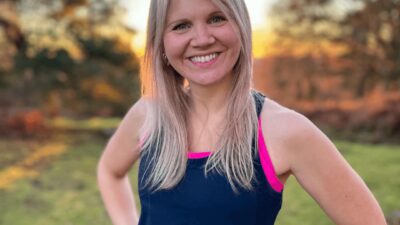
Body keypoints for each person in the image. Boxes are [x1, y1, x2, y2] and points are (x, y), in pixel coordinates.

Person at [97, 0, 387, 224]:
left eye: (216, 18)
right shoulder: (149, 115)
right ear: (161, 42)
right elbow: (110, 171)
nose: (201, 39)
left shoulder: (284, 130)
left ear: (241, 26)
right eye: (181, 25)